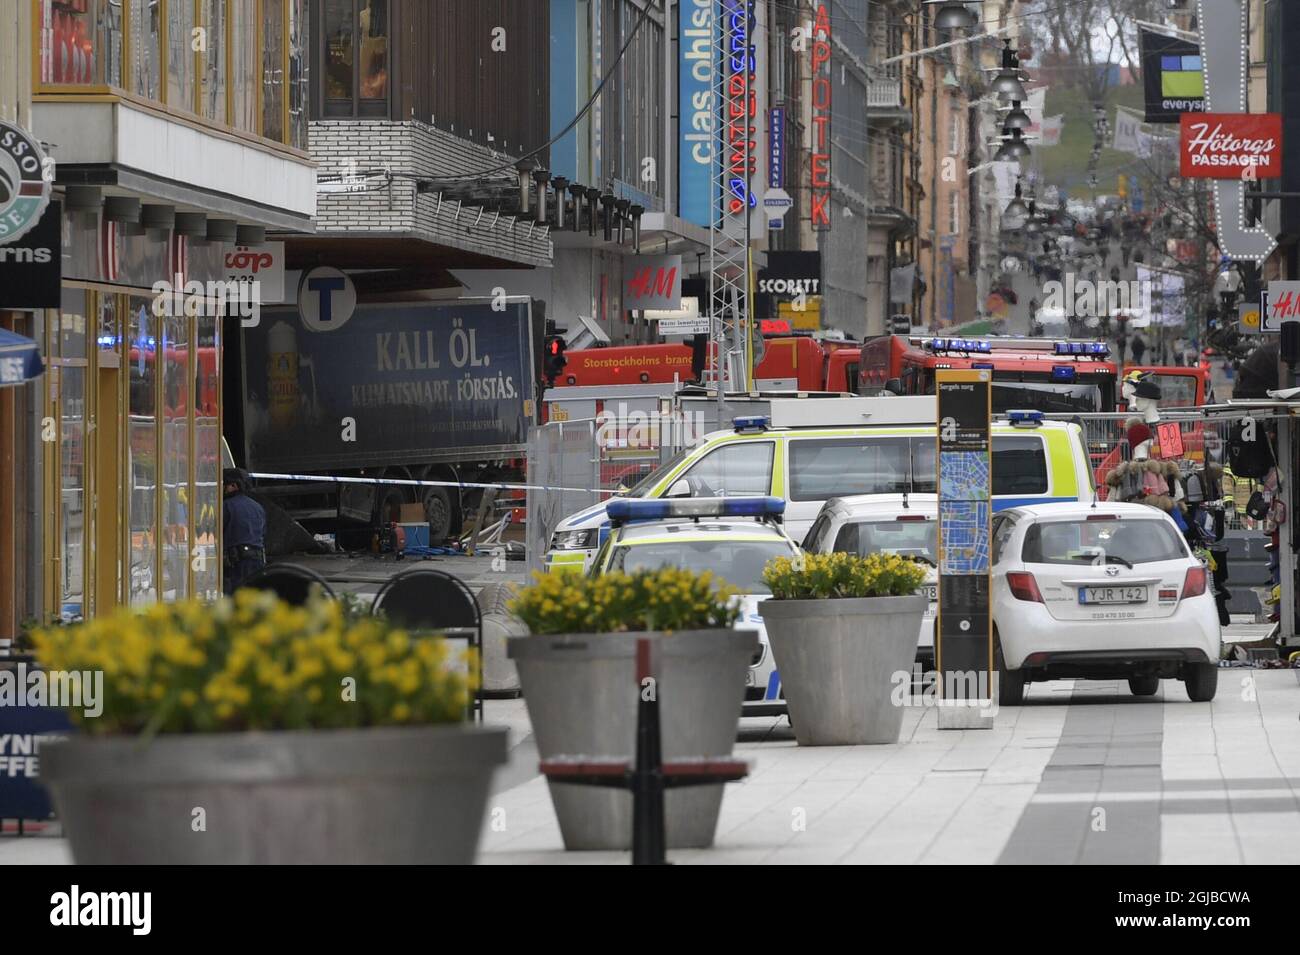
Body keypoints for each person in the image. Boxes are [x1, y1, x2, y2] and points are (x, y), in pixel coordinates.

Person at [223, 467, 267, 595]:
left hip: (237, 564)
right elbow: (263, 534)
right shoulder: (257, 507)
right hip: (257, 561)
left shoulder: (225, 506)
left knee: (235, 600)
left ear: (233, 486)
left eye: (223, 484)